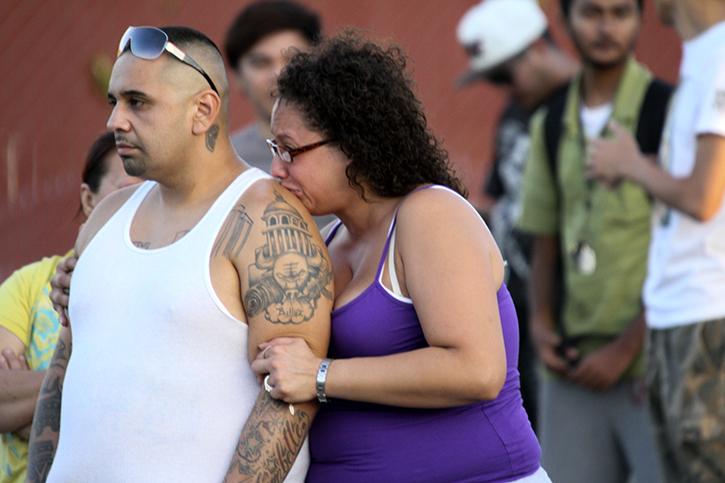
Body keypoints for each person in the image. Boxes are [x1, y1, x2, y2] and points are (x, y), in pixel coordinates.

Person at [25, 25, 332, 482]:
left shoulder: (267, 220)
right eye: (114, 102)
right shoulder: (106, 217)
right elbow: (62, 371)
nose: (114, 122)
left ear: (203, 110)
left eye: (138, 102)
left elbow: (289, 400)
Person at [246, 31, 547, 482]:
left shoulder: (429, 215)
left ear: (354, 144)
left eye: (291, 150)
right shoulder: (327, 240)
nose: (277, 169)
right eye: (275, 150)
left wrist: (322, 375)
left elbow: (478, 369)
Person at [517, 0, 670, 481]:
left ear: (642, 19)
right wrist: (540, 324)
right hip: (573, 365)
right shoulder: (551, 121)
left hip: (652, 366)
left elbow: (693, 249)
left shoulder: (666, 111)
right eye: (591, 12)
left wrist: (628, 347)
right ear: (563, 21)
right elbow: (544, 240)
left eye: (620, 12)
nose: (606, 27)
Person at [587, 0, 725, 480]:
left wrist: (631, 164)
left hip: (706, 313)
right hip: (679, 314)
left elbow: (703, 197)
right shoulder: (702, 57)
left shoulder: (720, 57)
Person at [456, 0, 578, 429]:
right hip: (518, 304)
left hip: (570, 307)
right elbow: (497, 195)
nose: (501, 88)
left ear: (536, 49)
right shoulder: (517, 109)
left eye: (502, 74)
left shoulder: (584, 106)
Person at [0, 131, 139, 483]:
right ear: (89, 200)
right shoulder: (30, 283)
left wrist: (35, 405)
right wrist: (98, 387)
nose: (140, 207)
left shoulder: (168, 294)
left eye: (153, 195)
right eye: (125, 191)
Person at [224, 0, 334, 229]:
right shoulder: (223, 162)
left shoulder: (354, 151)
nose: (280, 74)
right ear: (237, 78)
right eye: (261, 63)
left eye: (293, 59)